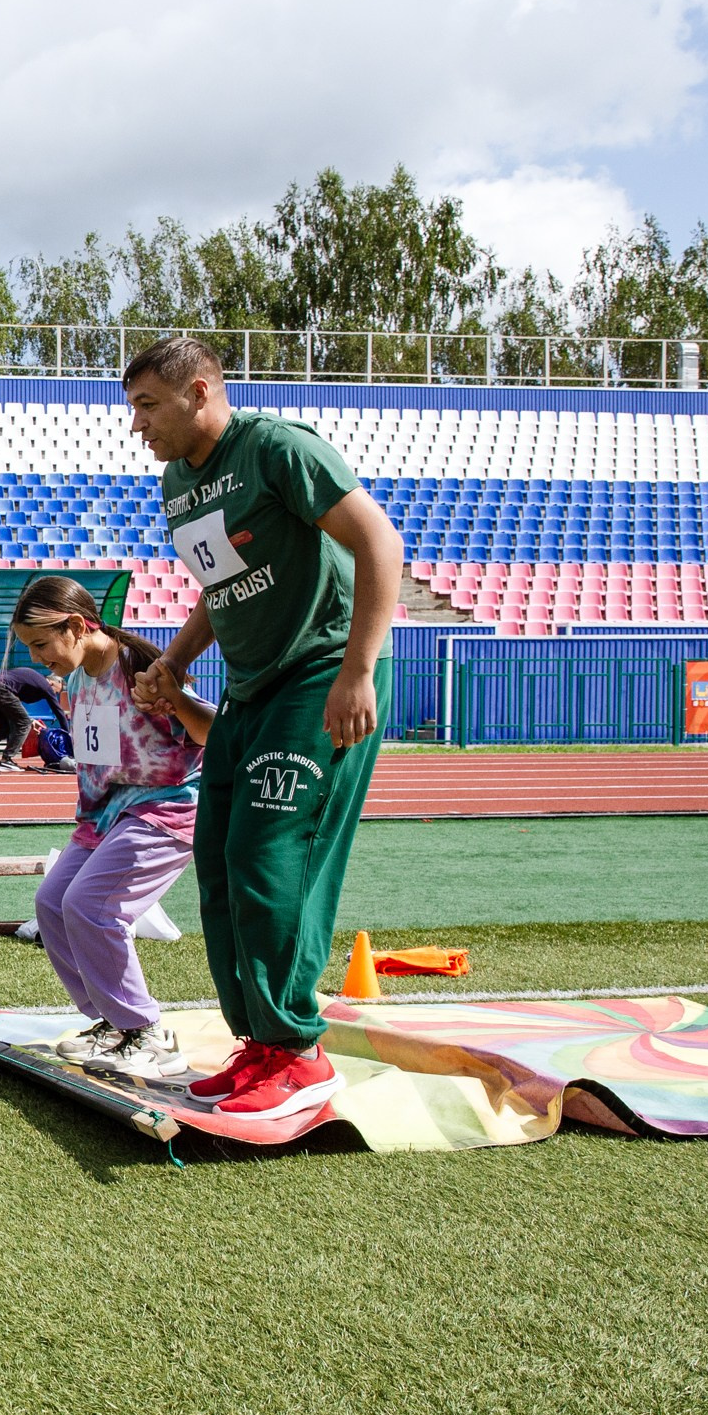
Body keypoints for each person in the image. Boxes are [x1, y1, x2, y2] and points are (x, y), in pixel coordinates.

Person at [125, 337, 401, 1122]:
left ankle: (299, 1052)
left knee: (267, 858)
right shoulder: (180, 481)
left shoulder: (277, 448)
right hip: (249, 690)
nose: (137, 425)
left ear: (199, 392)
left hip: (317, 677)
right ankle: (261, 1043)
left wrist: (357, 672)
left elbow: (378, 541)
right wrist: (174, 662)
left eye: (147, 405)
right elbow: (223, 584)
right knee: (217, 856)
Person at [12, 578, 212, 1078]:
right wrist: (88, 824)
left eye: (41, 644)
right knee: (52, 903)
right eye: (29, 648)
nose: (37, 659)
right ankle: (111, 1022)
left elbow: (212, 729)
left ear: (77, 627)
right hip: (107, 815)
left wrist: (174, 699)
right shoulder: (79, 680)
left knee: (92, 907)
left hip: (167, 807)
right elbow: (95, 762)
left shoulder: (141, 671)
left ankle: (148, 1034)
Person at [0, 663, 71, 773]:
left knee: (2, 729)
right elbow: (59, 711)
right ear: (53, 683)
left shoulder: (33, 682)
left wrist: (30, 720)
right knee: (24, 724)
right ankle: (6, 760)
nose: (55, 694)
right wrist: (67, 735)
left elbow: (14, 705)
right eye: (56, 691)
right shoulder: (45, 685)